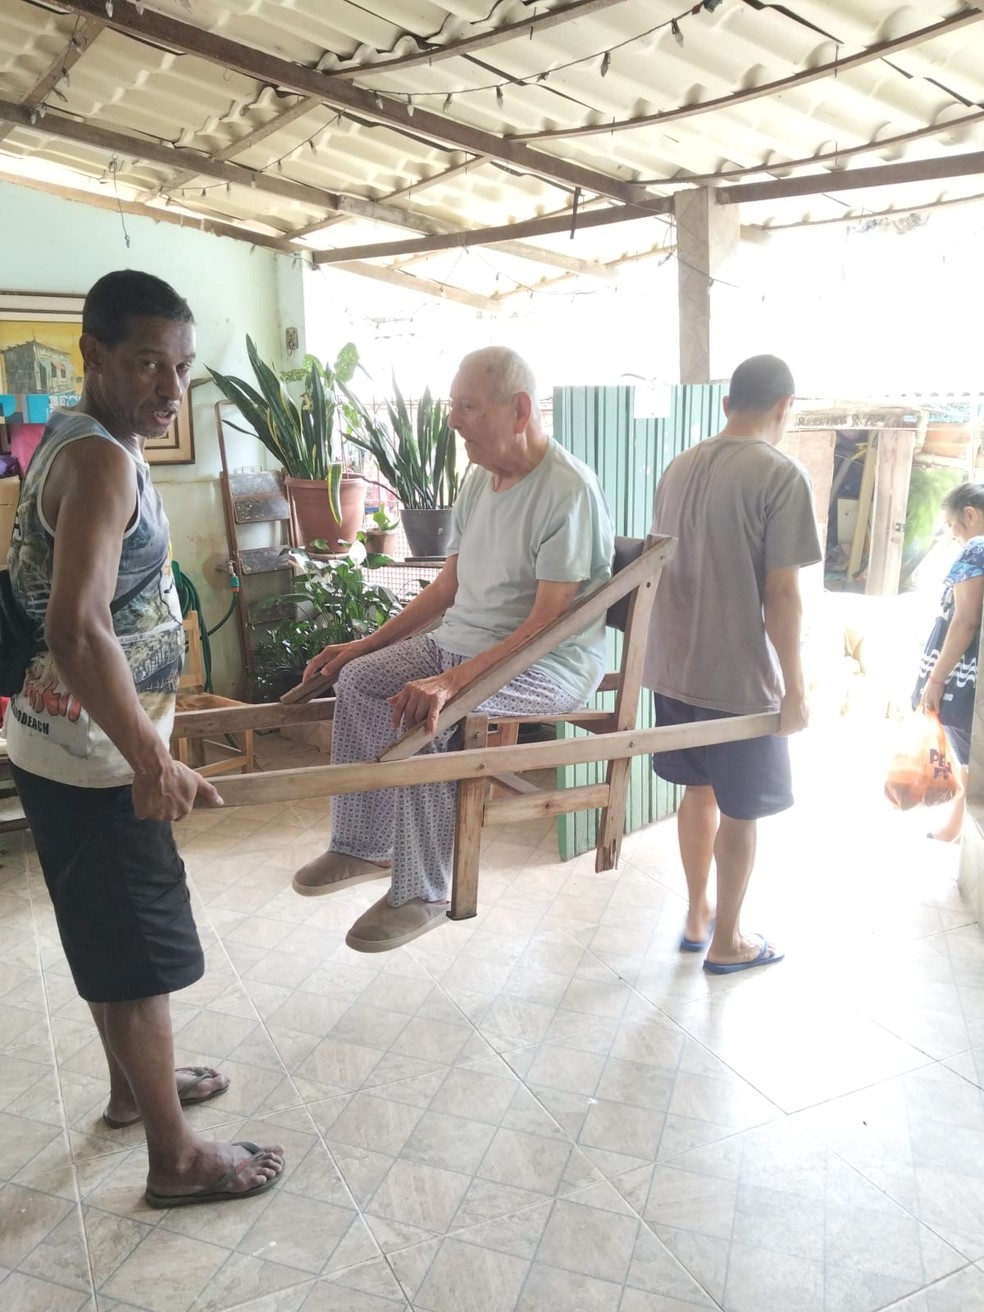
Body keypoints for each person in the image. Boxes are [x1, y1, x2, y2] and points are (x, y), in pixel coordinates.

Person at [6, 270, 284, 1207]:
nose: (169, 387)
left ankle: (135, 1092)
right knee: (145, 955)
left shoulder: (80, 442)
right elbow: (77, 628)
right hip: (95, 762)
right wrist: (151, 759)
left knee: (109, 941)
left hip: (58, 748)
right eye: (146, 364)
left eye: (181, 366)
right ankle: (177, 1156)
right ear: (93, 357)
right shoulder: (99, 462)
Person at [292, 346, 614, 951]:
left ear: (519, 410)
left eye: (468, 406)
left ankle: (425, 891)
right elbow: (448, 586)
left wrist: (452, 682)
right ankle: (365, 845)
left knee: (430, 716)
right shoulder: (478, 479)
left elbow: (546, 625)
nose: (453, 421)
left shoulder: (567, 490)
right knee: (361, 681)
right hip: (465, 644)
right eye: (451, 406)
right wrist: (363, 644)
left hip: (548, 662)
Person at [642, 354, 822, 974]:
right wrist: (794, 690)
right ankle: (730, 941)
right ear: (785, 406)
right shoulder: (779, 473)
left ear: (726, 404)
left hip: (671, 666)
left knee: (697, 793)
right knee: (742, 810)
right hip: (739, 678)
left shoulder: (678, 467)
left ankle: (698, 916)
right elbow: (782, 594)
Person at [913, 481, 984, 842]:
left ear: (970, 514)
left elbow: (965, 620)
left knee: (968, 752)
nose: (955, 538)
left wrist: (936, 679)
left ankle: (955, 827)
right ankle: (955, 826)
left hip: (966, 677)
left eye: (954, 528)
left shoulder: (976, 549)